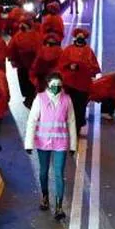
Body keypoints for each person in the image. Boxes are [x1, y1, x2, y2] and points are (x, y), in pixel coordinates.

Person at [24, 72, 77, 221]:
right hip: (43, 142)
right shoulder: (40, 99)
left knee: (59, 173)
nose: (56, 88)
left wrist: (73, 145)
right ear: (48, 85)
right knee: (43, 171)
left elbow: (71, 122)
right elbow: (32, 121)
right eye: (53, 86)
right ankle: (45, 196)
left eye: (59, 86)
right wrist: (29, 143)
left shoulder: (66, 100)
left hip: (60, 142)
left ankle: (59, 206)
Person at [58, 28, 100, 129]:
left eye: (82, 37)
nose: (80, 38)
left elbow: (94, 67)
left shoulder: (89, 51)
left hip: (83, 85)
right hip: (70, 84)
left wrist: (83, 68)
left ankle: (78, 124)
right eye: (78, 36)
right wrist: (69, 66)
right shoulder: (68, 49)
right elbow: (61, 64)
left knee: (80, 106)